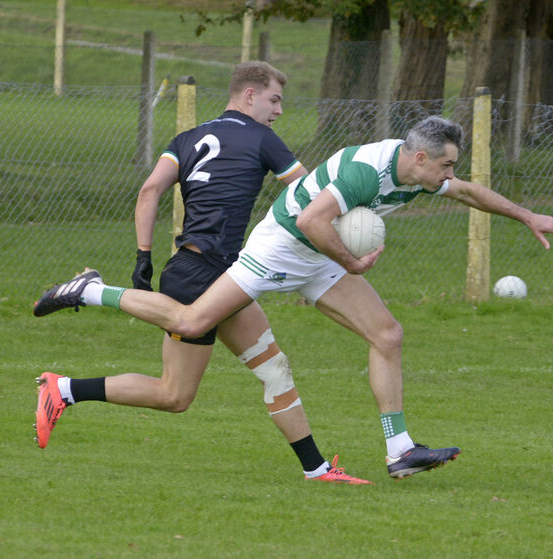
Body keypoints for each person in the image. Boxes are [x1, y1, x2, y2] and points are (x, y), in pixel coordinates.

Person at [35, 116, 553, 479]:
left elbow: (469, 192)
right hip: (282, 247)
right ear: (416, 158)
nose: (449, 175)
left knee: (387, 333)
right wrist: (352, 262)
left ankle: (399, 450)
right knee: (193, 317)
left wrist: (527, 215)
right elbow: (314, 220)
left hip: (321, 255)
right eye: (444, 165)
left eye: (450, 166)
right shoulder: (367, 170)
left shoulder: (423, 175)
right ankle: (92, 289)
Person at [33, 61, 370, 485]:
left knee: (273, 367)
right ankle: (79, 329)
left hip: (215, 271)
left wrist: (143, 255)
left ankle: (317, 470)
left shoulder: (188, 138)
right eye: (274, 99)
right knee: (174, 395)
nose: (278, 111)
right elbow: (310, 194)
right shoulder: (264, 139)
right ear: (249, 95)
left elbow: (149, 190)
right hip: (202, 276)